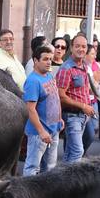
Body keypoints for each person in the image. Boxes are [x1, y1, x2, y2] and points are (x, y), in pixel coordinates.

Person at [56, 35, 99, 162]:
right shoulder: (66, 69)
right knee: (77, 151)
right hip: (72, 116)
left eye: (84, 46)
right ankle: (72, 180)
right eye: (77, 46)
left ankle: (64, 179)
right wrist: (84, 106)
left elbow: (83, 90)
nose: (81, 49)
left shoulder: (84, 66)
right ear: (71, 48)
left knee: (71, 151)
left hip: (83, 116)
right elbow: (61, 96)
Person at [22, 43, 62, 175]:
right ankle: (27, 195)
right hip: (38, 134)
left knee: (50, 168)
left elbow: (55, 98)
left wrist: (59, 118)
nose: (49, 62)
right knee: (32, 168)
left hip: (53, 129)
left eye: (50, 59)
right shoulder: (33, 81)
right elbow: (30, 109)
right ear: (35, 60)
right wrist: (41, 132)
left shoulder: (49, 75)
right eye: (45, 59)